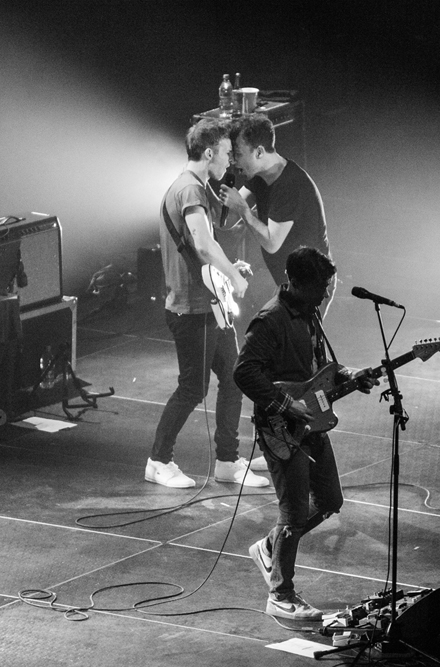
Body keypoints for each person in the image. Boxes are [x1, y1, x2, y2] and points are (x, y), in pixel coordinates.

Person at [234, 247, 377, 620]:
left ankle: (269, 547)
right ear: (297, 283)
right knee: (293, 513)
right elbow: (245, 372)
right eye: (321, 286)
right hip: (281, 428)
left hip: (312, 422)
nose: (326, 293)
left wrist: (348, 375)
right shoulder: (270, 320)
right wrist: (284, 405)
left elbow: (318, 366)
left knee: (329, 500)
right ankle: (280, 595)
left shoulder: (309, 313)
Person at [147, 118, 269, 489]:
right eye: (228, 153)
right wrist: (233, 276)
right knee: (192, 387)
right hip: (192, 309)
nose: (231, 161)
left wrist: (229, 269)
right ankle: (158, 460)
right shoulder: (189, 190)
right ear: (210, 152)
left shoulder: (197, 188)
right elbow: (201, 244)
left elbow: (206, 250)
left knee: (234, 379)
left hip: (210, 304)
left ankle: (228, 462)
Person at [220, 114, 330, 307]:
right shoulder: (259, 175)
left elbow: (272, 243)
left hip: (312, 284)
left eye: (238, 154)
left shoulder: (289, 184)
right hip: (290, 282)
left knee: (299, 338)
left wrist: (244, 211)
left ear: (259, 152)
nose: (233, 161)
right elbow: (227, 220)